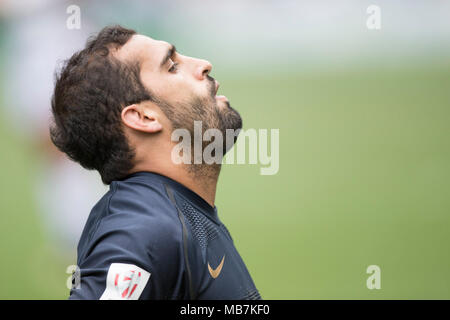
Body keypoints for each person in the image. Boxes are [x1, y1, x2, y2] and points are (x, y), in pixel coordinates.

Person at [50, 25, 261, 300]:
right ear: (144, 117)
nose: (203, 65)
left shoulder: (174, 213)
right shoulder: (141, 232)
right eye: (172, 66)